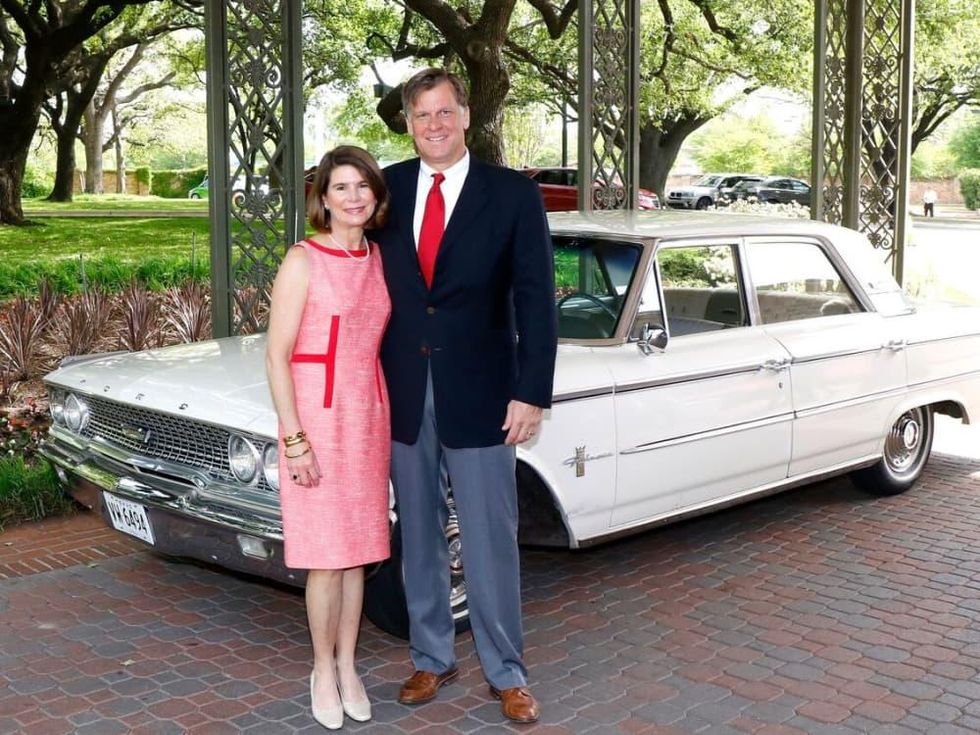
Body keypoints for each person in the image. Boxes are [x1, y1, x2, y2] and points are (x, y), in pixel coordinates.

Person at [375, 68, 558, 724]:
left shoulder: (512, 195)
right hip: (403, 389)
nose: (434, 125)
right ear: (407, 121)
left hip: (484, 391)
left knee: (488, 536)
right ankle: (431, 657)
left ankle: (506, 670)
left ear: (465, 114)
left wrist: (531, 390)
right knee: (417, 533)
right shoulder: (387, 189)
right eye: (421, 115)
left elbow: (538, 299)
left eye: (444, 112)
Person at [266, 145, 392, 730]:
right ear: (323, 198)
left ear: (375, 194)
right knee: (325, 557)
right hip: (316, 420)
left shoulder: (377, 258)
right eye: (341, 187)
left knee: (357, 555)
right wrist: (294, 439)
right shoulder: (302, 259)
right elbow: (276, 356)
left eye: (362, 186)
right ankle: (321, 668)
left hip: (368, 416)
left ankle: (349, 666)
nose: (353, 197)